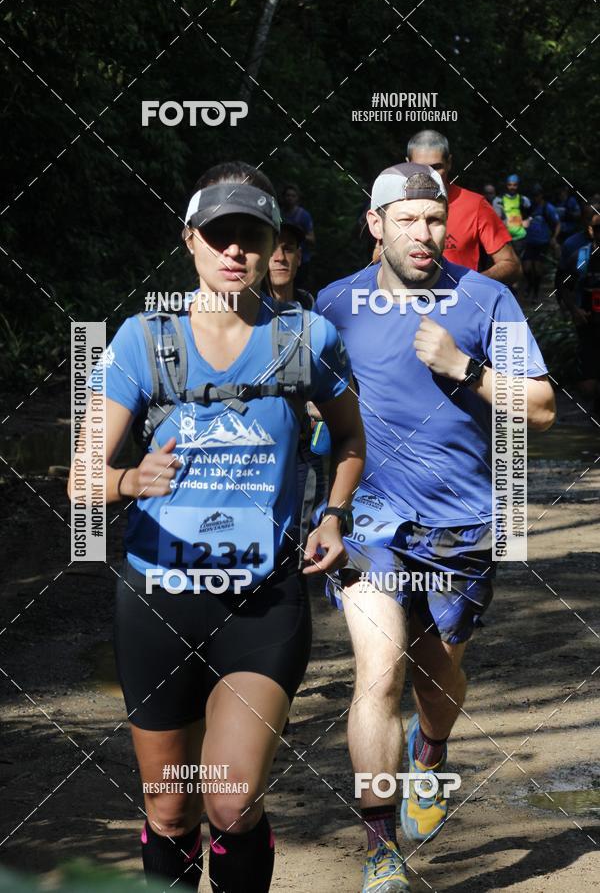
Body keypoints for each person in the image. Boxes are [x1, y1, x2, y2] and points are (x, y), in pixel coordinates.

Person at [68, 161, 365, 893]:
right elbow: (81, 479)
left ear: (272, 247)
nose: (235, 251)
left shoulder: (307, 340)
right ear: (191, 242)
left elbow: (353, 441)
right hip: (158, 602)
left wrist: (333, 513)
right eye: (219, 236)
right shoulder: (144, 341)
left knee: (230, 803)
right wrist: (131, 480)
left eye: (251, 237)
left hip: (261, 604)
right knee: (171, 811)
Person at [315, 163, 556, 892]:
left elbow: (541, 408)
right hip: (371, 521)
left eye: (435, 219)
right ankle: (380, 846)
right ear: (375, 224)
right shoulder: (336, 303)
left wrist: (468, 371)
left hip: (461, 525)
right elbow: (318, 403)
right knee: (379, 670)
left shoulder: (485, 298)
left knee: (434, 669)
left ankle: (433, 753)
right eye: (409, 219)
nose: (426, 234)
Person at [267, 218, 326, 559]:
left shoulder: (311, 307)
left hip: (306, 448)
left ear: (300, 257)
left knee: (304, 545)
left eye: (288, 249)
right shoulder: (242, 313)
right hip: (260, 451)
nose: (280, 257)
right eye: (273, 249)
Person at [406, 129, 521, 286]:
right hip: (407, 306)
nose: (429, 175)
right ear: (407, 164)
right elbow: (379, 259)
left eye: (437, 167)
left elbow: (512, 265)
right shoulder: (394, 205)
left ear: (449, 163)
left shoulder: (475, 205)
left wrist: (468, 286)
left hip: (462, 307)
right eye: (420, 167)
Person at [562, 207, 600, 417]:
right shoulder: (581, 256)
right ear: (591, 230)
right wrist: (574, 309)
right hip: (588, 324)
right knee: (588, 387)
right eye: (598, 228)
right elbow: (562, 283)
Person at [523, 183, 561, 301]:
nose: (535, 197)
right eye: (533, 195)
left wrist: (554, 237)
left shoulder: (547, 208)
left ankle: (535, 293)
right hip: (530, 242)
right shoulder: (530, 207)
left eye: (537, 195)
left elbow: (557, 223)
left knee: (538, 269)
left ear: (541, 195)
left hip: (542, 243)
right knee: (526, 268)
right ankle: (530, 285)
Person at [280, 183, 315, 290]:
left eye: (293, 196)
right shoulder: (279, 214)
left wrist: (297, 233)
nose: (290, 198)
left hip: (301, 260)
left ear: (297, 198)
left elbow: (312, 239)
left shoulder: (303, 215)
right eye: (288, 195)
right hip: (281, 257)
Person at [496, 173, 531, 259]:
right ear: (506, 185)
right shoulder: (499, 200)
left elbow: (531, 213)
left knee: (518, 262)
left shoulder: (523, 199)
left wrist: (528, 220)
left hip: (520, 237)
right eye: (510, 185)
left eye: (515, 185)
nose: (512, 187)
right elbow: (496, 219)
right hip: (505, 238)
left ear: (518, 185)